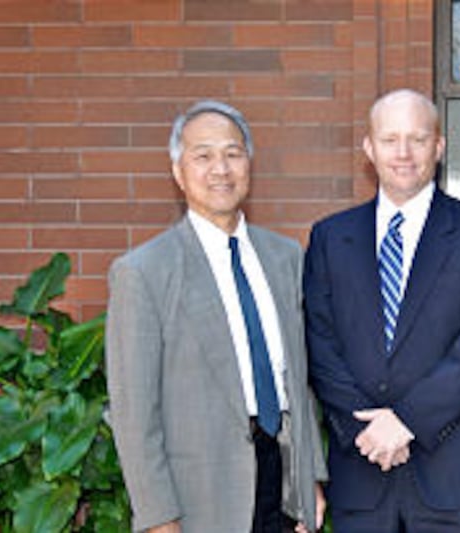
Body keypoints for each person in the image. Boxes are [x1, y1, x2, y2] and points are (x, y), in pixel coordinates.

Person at [105, 100, 327, 533]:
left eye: (232, 153)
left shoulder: (285, 258)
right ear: (178, 172)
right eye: (202, 155)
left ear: (249, 164)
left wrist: (310, 479)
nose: (220, 169)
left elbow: (301, 383)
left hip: (282, 483)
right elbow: (134, 413)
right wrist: (158, 516)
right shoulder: (144, 272)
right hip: (198, 495)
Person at [303, 88, 460, 532]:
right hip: (360, 474)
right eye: (390, 139)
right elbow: (320, 345)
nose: (403, 153)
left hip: (453, 475)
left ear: (438, 147)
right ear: (369, 148)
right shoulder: (329, 237)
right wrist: (370, 432)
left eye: (417, 139)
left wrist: (407, 421)